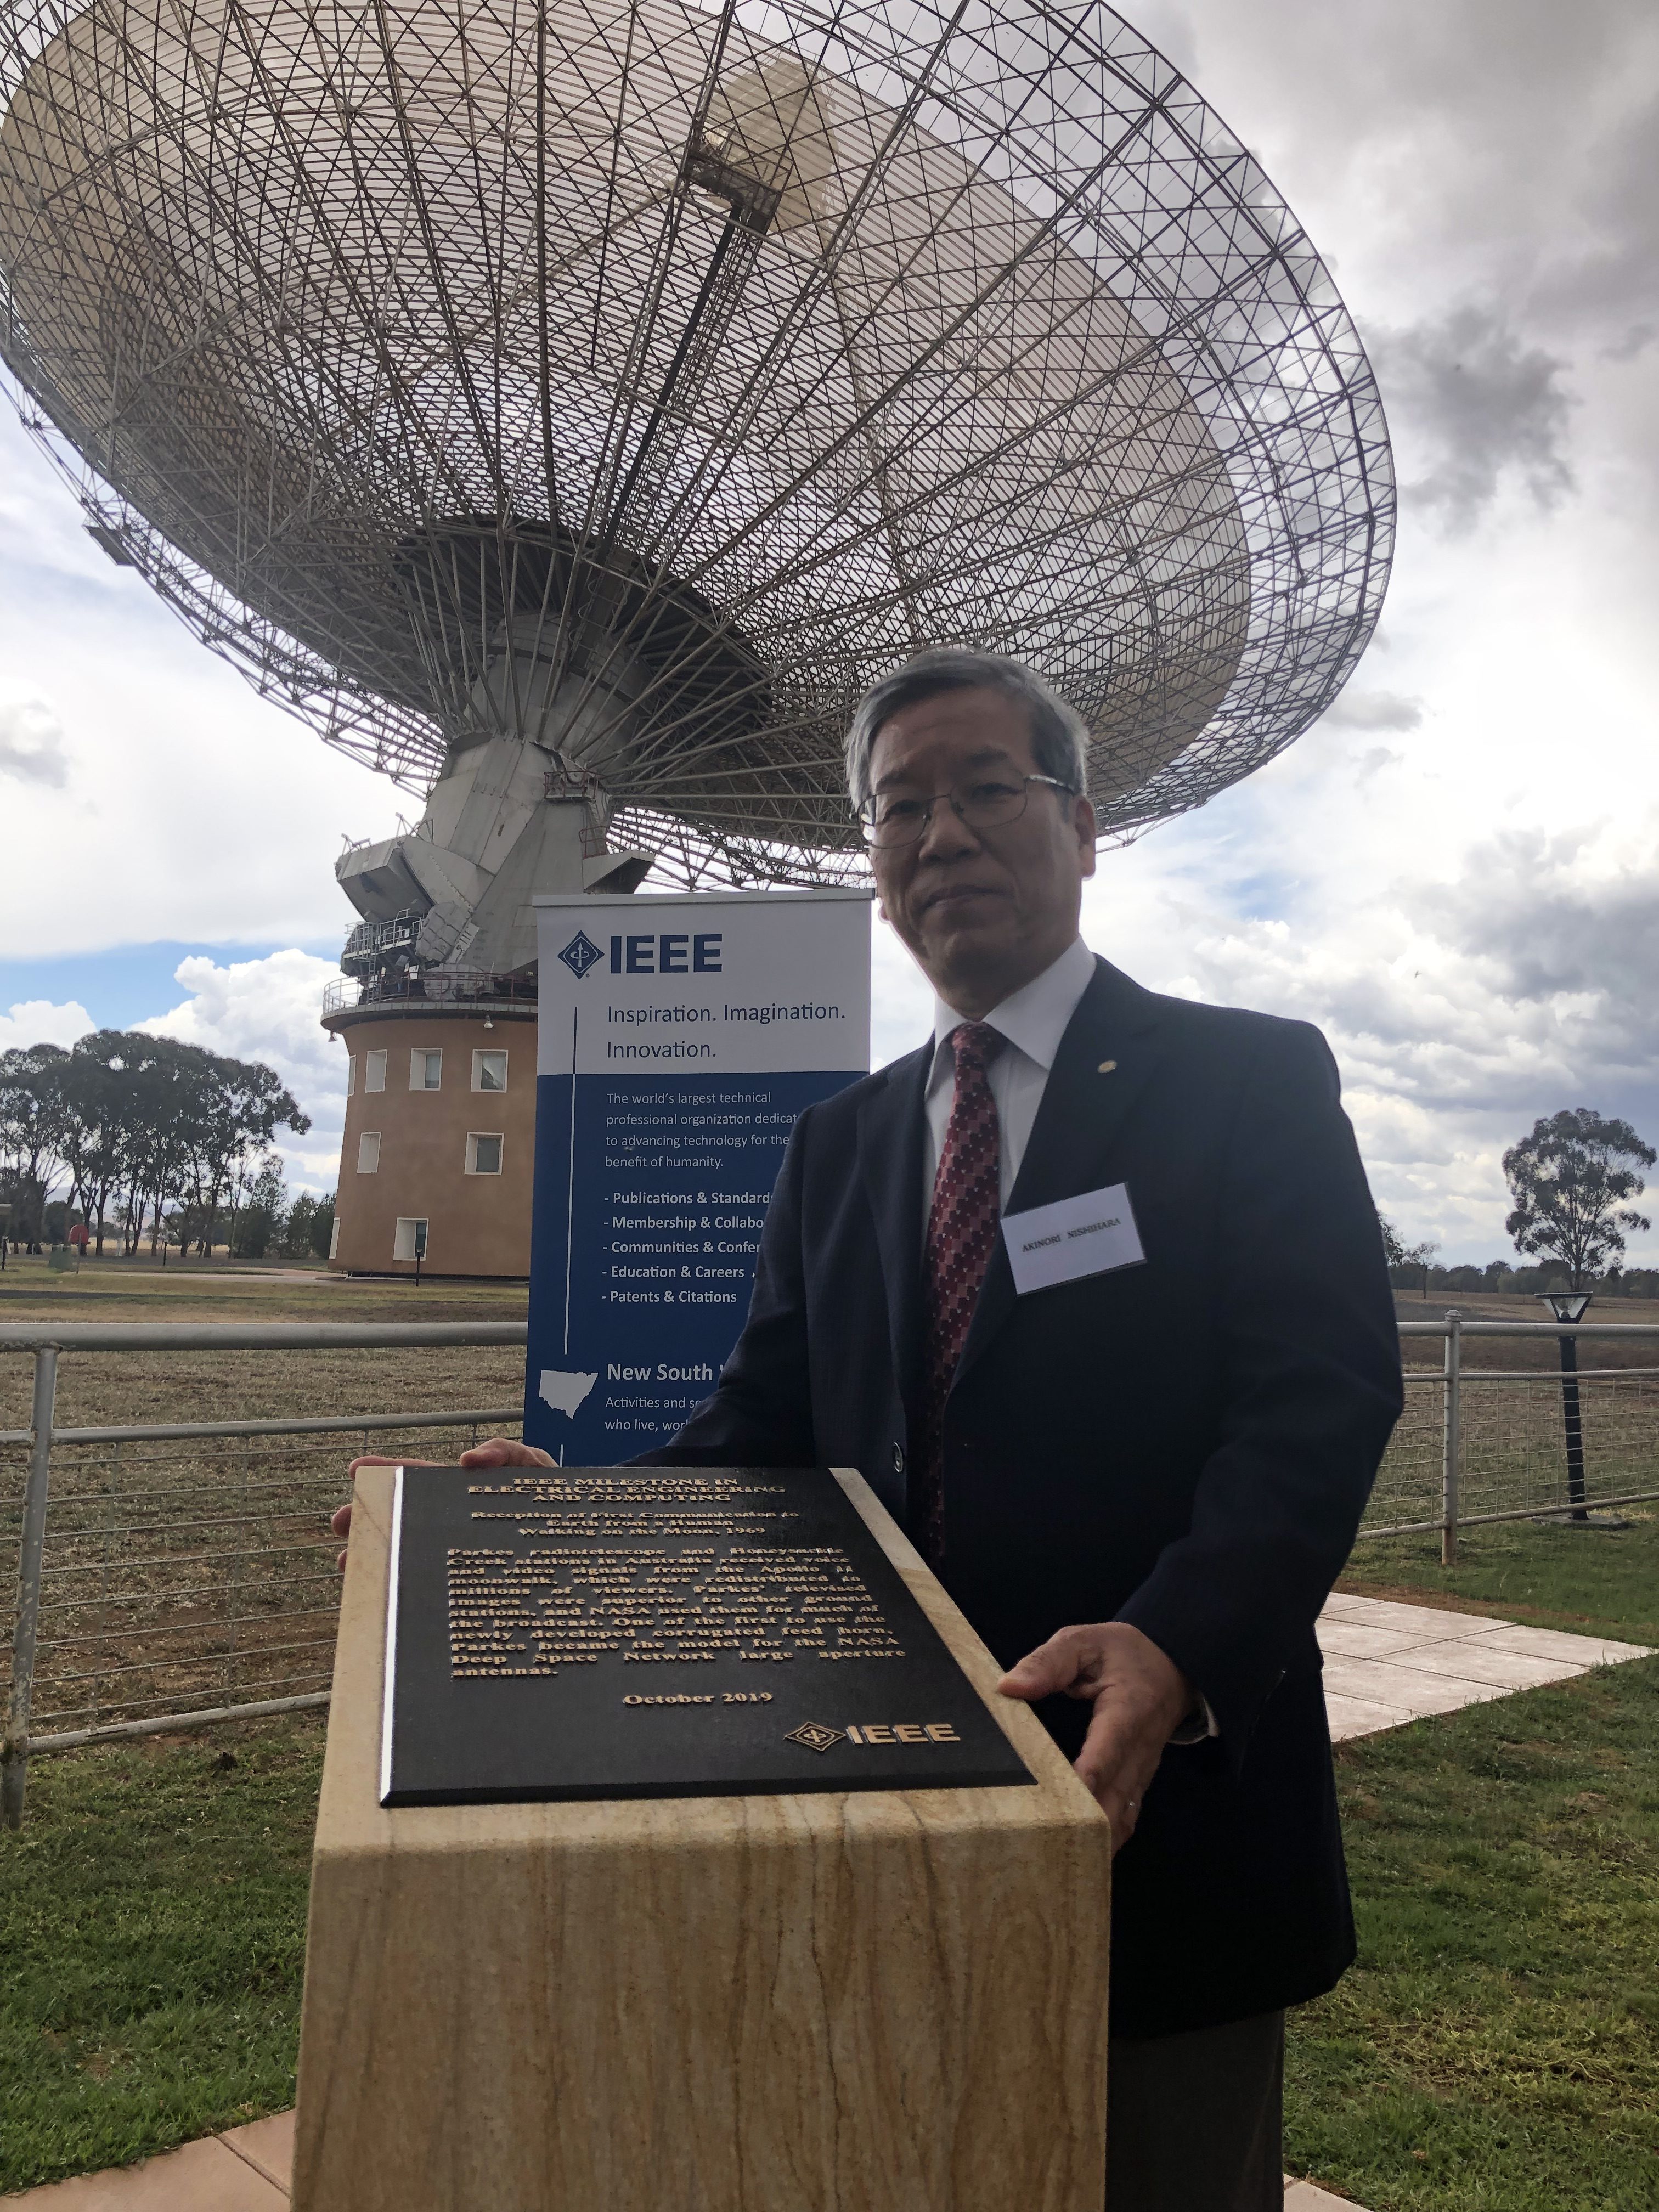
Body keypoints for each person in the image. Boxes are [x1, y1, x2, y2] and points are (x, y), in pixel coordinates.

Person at [337, 647, 1403, 2210]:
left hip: (1156, 1810)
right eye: (900, 806)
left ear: (1085, 824)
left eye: (984, 789)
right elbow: (767, 1430)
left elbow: (1318, 1395)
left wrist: (1181, 1643)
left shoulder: (1247, 1080)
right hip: (873, 1802)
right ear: (872, 864)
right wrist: (565, 1516)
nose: (942, 833)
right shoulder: (839, 1142)